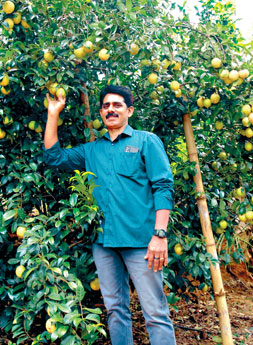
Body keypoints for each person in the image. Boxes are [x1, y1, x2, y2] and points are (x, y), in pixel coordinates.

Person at [43, 85, 176, 345]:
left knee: (155, 314)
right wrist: (53, 114)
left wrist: (160, 234)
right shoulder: (92, 150)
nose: (111, 109)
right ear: (102, 113)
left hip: (142, 243)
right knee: (115, 311)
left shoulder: (146, 141)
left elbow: (163, 186)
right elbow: (54, 158)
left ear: (129, 110)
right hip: (104, 243)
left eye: (117, 105)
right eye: (106, 106)